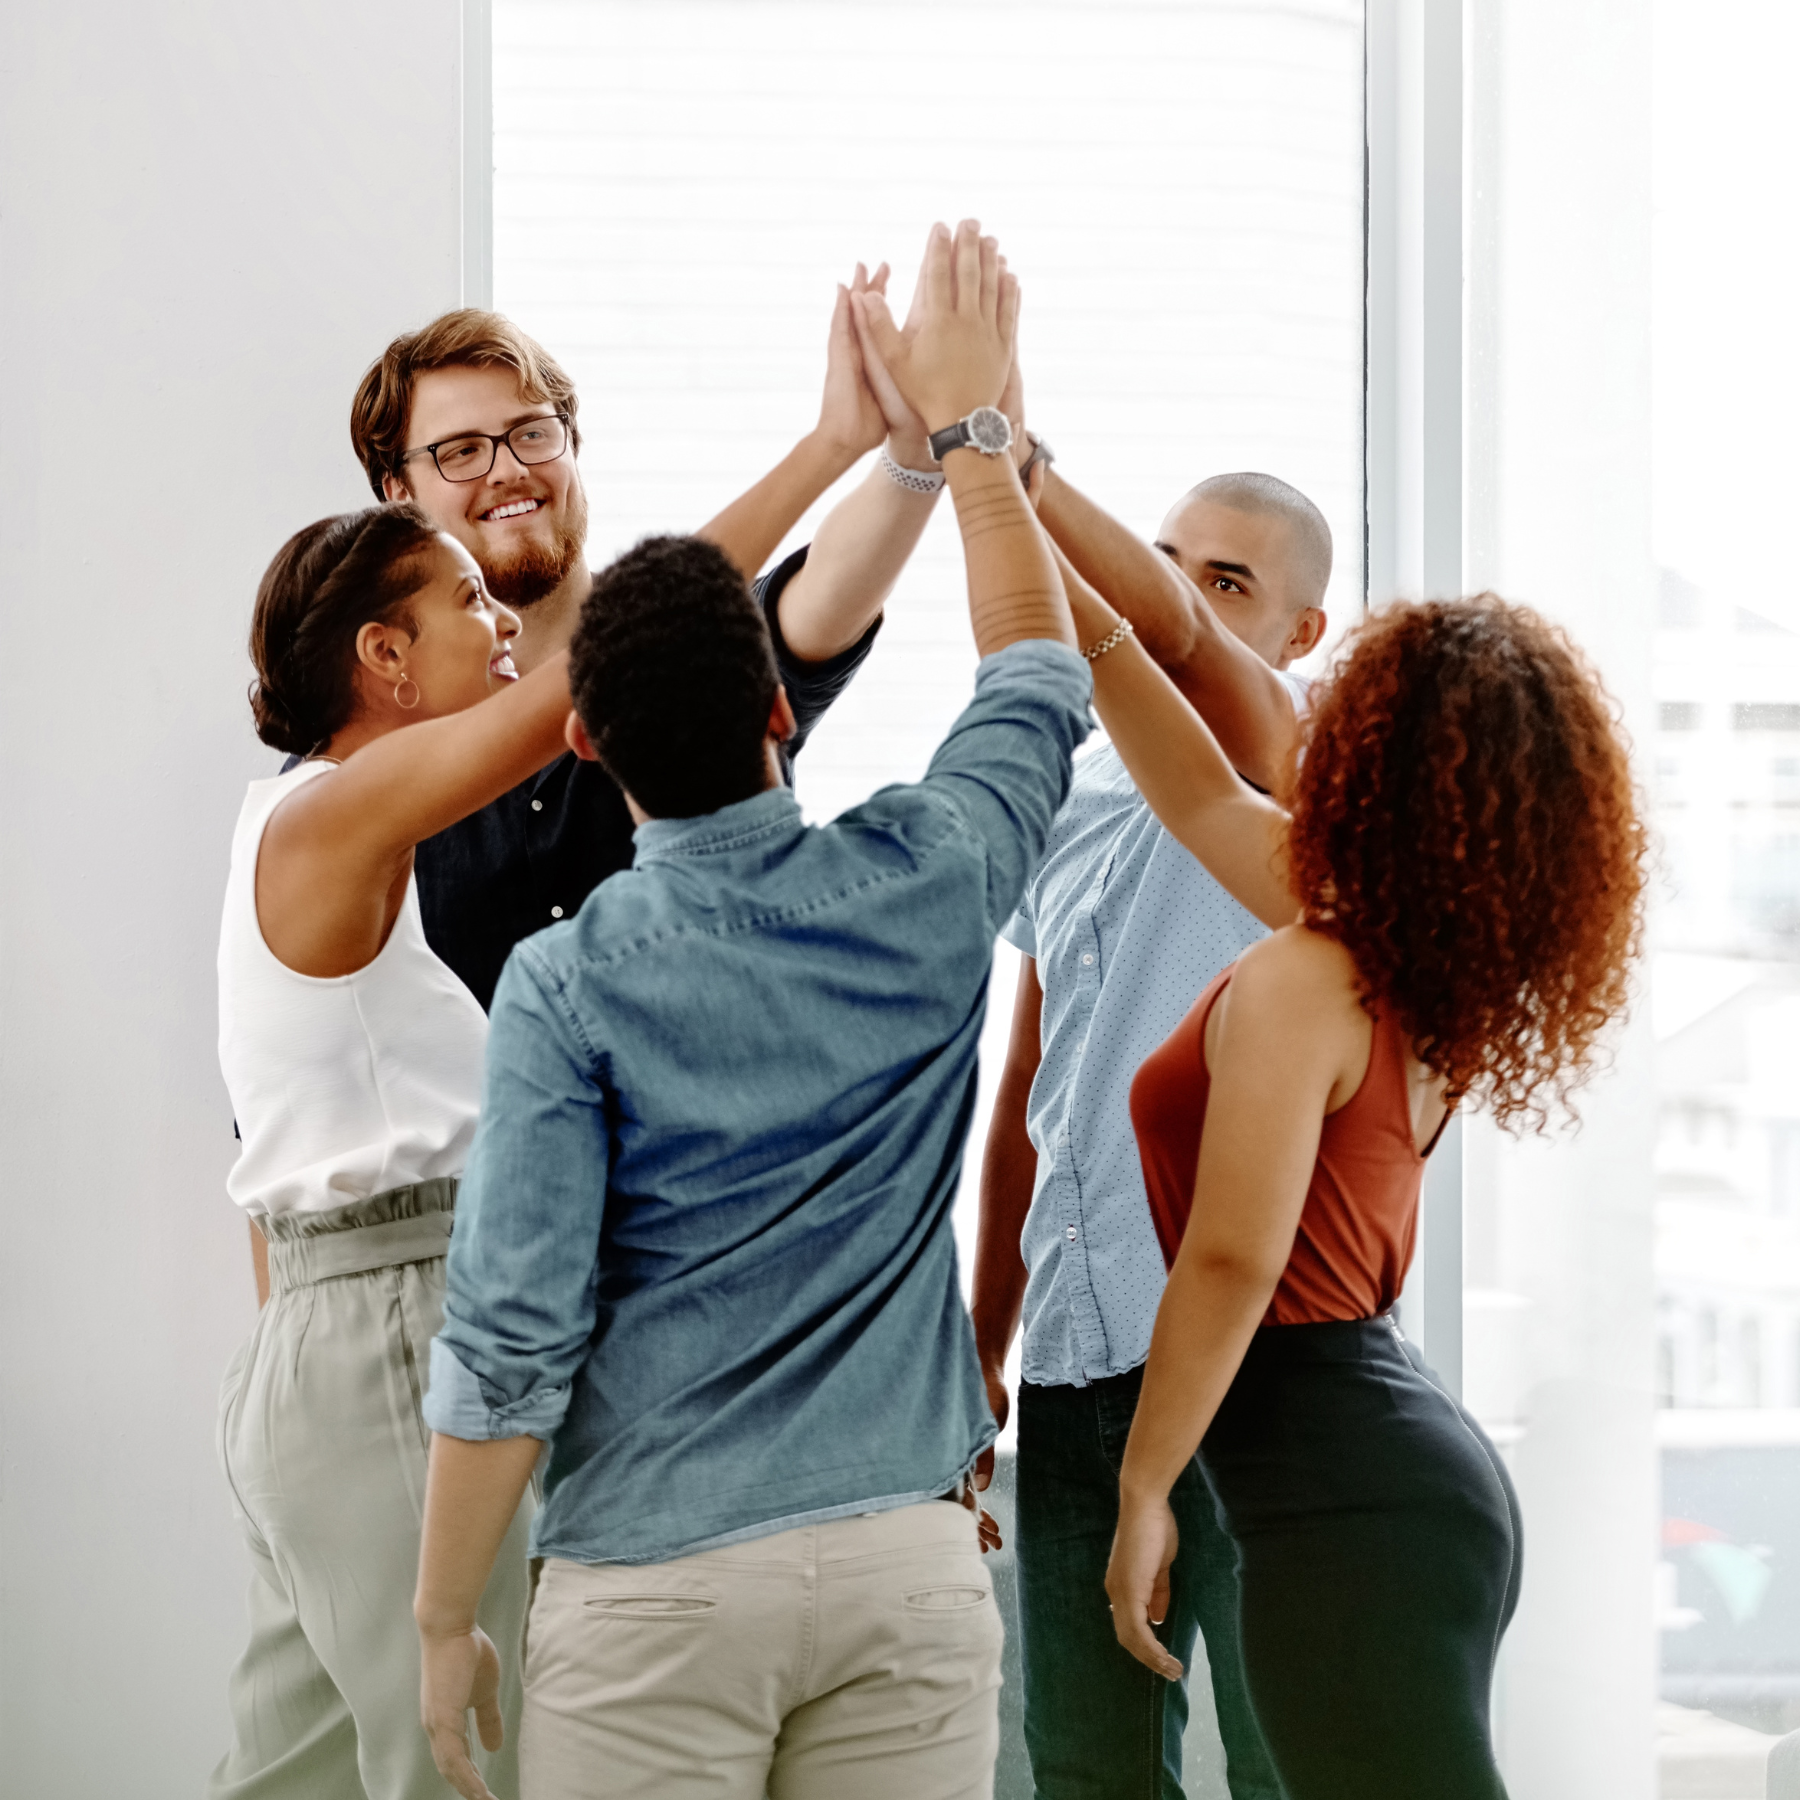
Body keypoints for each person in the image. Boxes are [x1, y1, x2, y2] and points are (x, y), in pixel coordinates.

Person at [407, 220, 1085, 1800]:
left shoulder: (564, 984)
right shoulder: (931, 875)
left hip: (656, 1589)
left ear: (578, 741)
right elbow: (1037, 675)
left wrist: (446, 1614)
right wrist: (976, 444)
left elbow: (512, 1335)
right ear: (783, 704)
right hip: (907, 1574)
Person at [210, 395, 881, 1796]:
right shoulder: (327, 816)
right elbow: (600, 674)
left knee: (303, 1773)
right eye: (463, 601)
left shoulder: (309, 832)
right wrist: (829, 445)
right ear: (382, 658)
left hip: (335, 1351)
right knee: (469, 1766)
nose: (503, 621)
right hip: (393, 1337)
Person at [1064, 563, 1646, 1797]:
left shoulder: (1309, 973)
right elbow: (1199, 791)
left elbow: (1233, 1258)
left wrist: (1143, 1489)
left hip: (1349, 1499)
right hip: (1387, 1476)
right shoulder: (1392, 959)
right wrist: (1009, 489)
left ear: (1373, 754)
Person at [965, 419, 1329, 1792]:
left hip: (1248, 1375)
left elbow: (1171, 646)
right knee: (1085, 1771)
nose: (1177, 593)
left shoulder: (1285, 766)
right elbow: (1029, 1103)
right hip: (1068, 1366)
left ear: (1302, 632)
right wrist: (982, 1351)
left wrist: (1007, 457)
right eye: (1174, 563)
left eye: (1227, 582)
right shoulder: (1061, 801)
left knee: (1285, 1762)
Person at [349, 271, 947, 1013]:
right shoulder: (358, 754)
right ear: (398, 494)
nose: (508, 470)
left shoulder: (702, 642)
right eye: (461, 452)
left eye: (533, 432)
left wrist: (918, 452)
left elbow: (831, 591)